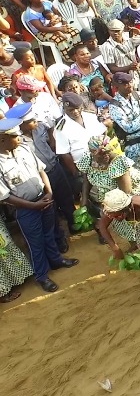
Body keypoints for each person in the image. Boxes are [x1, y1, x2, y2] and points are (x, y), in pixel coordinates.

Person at [0, 114, 80, 295]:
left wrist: (49, 192)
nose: (19, 138)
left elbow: (41, 170)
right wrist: (32, 206)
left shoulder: (24, 149)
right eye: (15, 136)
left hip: (44, 199)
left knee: (49, 234)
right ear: (3, 139)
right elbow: (5, 197)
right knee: (35, 244)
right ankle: (42, 276)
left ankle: (56, 260)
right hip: (26, 209)